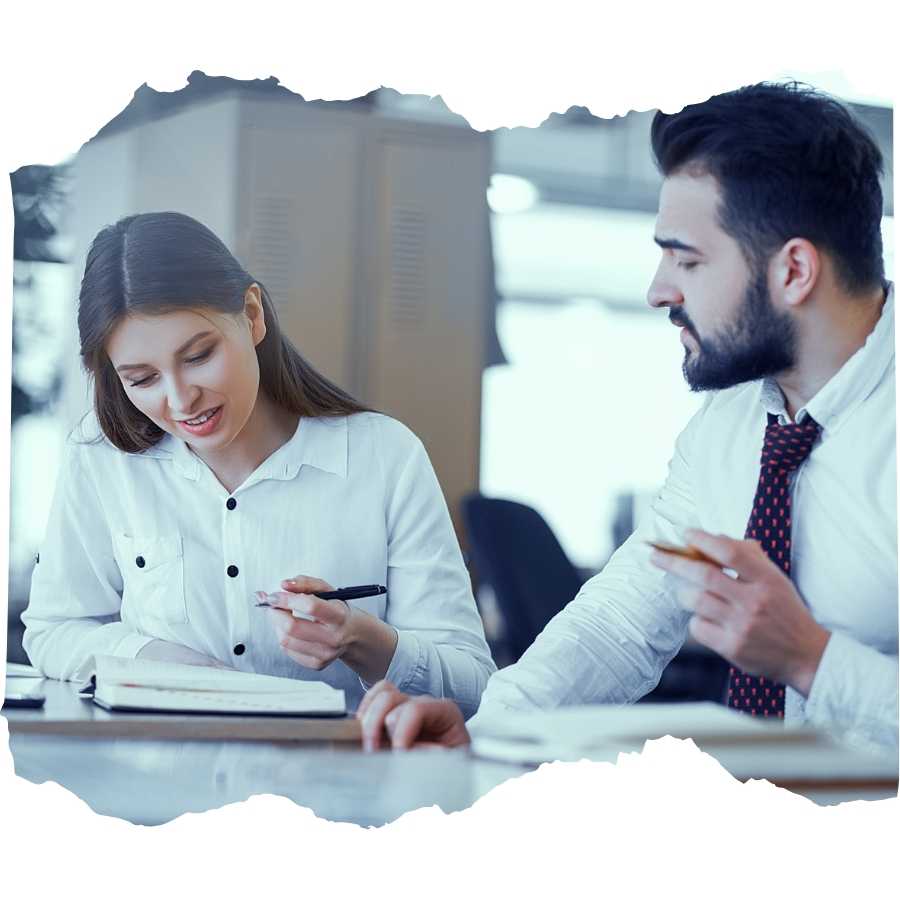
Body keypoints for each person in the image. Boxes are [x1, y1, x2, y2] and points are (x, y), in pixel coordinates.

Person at [357, 82, 898, 753]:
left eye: (687, 259)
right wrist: (484, 729)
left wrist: (813, 661)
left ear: (793, 271)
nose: (657, 290)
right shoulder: (726, 428)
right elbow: (620, 623)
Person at [22, 211, 495, 714]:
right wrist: (158, 659)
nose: (181, 400)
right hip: (157, 774)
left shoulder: (384, 457)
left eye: (199, 356)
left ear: (252, 315)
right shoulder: (102, 456)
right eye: (142, 380)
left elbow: (473, 686)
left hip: (335, 779)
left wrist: (362, 641)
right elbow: (55, 630)